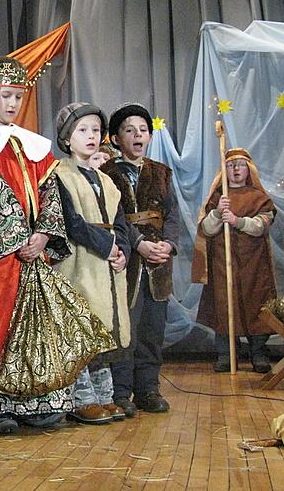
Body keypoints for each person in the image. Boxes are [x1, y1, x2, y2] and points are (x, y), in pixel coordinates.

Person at [0, 58, 105, 434]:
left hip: (33, 251)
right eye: (5, 95)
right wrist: (15, 239)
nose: (13, 103)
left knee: (37, 328)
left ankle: (34, 400)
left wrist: (42, 234)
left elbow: (50, 194)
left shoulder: (35, 146)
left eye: (18, 96)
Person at [54, 103, 131, 424]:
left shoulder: (107, 180)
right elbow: (71, 221)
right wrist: (107, 246)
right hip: (81, 262)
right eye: (82, 130)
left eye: (96, 130)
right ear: (66, 138)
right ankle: (81, 397)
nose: (91, 136)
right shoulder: (60, 175)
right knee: (84, 328)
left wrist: (123, 250)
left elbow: (120, 221)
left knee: (107, 329)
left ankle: (105, 396)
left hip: (108, 266)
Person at [100, 103, 179, 415]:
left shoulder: (161, 172)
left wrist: (168, 245)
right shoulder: (107, 174)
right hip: (126, 261)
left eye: (143, 130)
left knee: (152, 328)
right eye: (129, 130)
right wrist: (138, 244)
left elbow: (172, 215)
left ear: (149, 137)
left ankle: (148, 389)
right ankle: (120, 393)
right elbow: (114, 215)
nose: (137, 135)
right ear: (116, 138)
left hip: (158, 264)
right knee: (125, 328)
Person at [191, 148, 277, 374]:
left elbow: (261, 226)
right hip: (223, 262)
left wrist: (238, 221)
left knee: (256, 304)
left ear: (249, 169)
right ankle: (226, 353)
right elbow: (207, 229)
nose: (236, 169)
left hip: (253, 263)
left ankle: (258, 353)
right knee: (223, 304)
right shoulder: (218, 197)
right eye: (230, 165)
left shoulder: (259, 197)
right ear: (224, 170)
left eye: (240, 165)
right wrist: (218, 213)